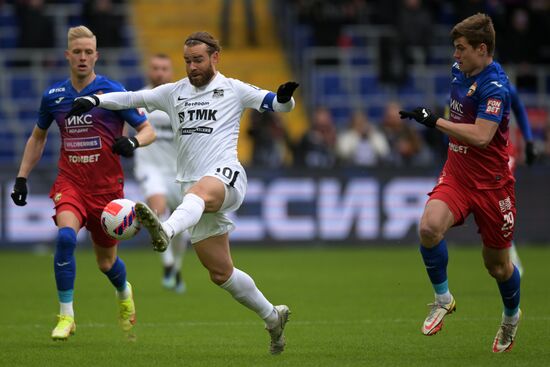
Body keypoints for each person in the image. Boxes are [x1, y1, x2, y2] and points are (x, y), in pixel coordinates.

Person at [65, 31, 299, 354]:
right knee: (220, 272)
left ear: (215, 58)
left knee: (200, 193)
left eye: (198, 60)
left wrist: (286, 99)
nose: (192, 67)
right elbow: (132, 98)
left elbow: (276, 105)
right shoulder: (174, 93)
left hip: (226, 177)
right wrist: (95, 100)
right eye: (187, 61)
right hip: (193, 192)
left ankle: (166, 229)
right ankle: (273, 317)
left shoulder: (233, 89)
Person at [10, 25, 156, 341]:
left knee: (106, 263)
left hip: (107, 191)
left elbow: (148, 130)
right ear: (67, 55)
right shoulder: (54, 97)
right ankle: (66, 316)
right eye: (77, 52)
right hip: (71, 182)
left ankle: (123, 291)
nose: (83, 57)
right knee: (65, 238)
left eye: (88, 52)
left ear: (96, 56)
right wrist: (22, 178)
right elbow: (37, 138)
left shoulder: (113, 92)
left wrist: (132, 144)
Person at [399, 14, 521, 353]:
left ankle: (511, 316)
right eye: (455, 49)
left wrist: (434, 121)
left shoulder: (495, 86)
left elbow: (482, 136)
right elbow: (461, 116)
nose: (456, 56)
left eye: (461, 49)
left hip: (493, 185)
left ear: (482, 49)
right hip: (457, 174)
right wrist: (442, 124)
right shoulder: (460, 72)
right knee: (428, 227)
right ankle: (443, 298)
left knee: (497, 266)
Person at [134, 54, 190, 293]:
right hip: (150, 168)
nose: (159, 73)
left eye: (164, 69)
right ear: (149, 70)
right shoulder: (139, 99)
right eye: (155, 68)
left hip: (178, 171)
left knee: (182, 227)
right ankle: (167, 265)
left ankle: (175, 268)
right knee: (158, 211)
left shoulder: (182, 100)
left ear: (171, 71)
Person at [506, 83, 537, 277]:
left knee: (498, 205)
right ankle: (510, 257)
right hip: (472, 156)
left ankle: (512, 261)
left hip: (502, 152)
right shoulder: (460, 84)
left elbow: (518, 107)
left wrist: (529, 140)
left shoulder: (499, 82)